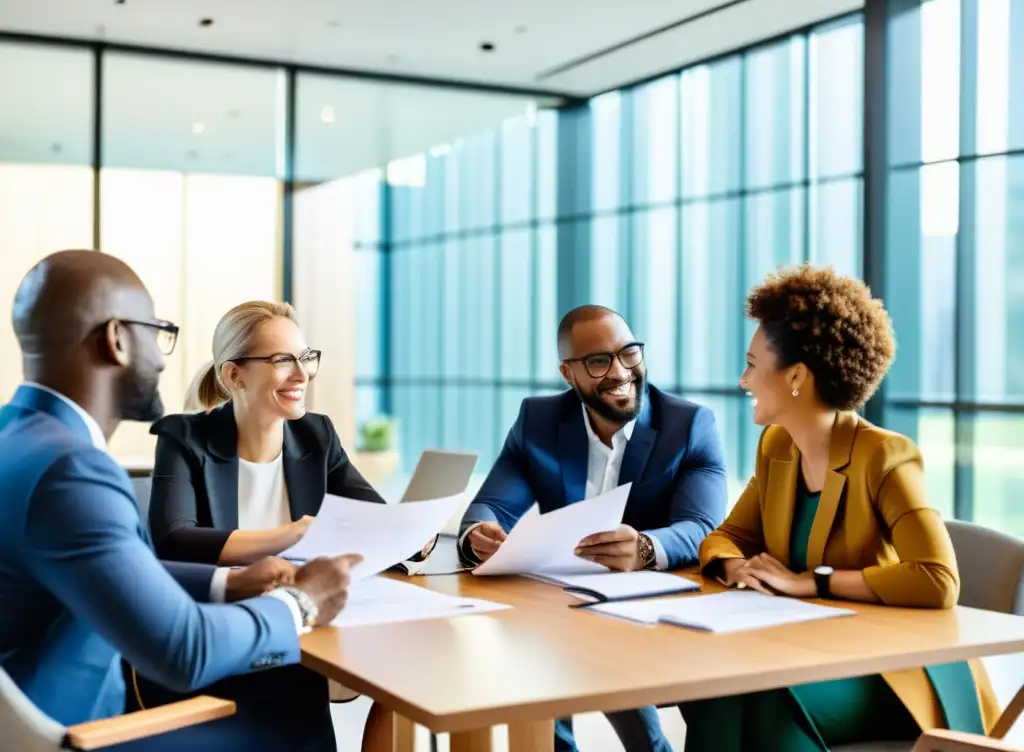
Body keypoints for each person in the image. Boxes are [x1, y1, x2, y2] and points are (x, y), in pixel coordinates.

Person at [0, 250, 359, 750]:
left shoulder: (16, 437)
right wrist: (301, 602)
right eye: (158, 331)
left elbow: (111, 568)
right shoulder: (73, 470)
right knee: (295, 712)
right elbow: (186, 650)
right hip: (79, 733)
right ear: (118, 340)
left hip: (29, 716)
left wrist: (226, 581)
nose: (163, 356)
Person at [682, 264, 999, 751]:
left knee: (768, 700)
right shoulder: (777, 447)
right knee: (715, 690)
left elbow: (938, 579)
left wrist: (811, 582)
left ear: (796, 376)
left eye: (751, 364)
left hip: (890, 667)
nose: (743, 379)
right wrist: (740, 568)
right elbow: (724, 537)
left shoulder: (885, 456)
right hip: (810, 649)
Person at [145, 300, 423, 752]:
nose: (302, 374)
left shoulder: (317, 435)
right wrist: (292, 534)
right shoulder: (184, 437)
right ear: (234, 375)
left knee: (408, 678)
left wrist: (415, 533)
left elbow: (371, 518)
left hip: (306, 627)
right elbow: (174, 539)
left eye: (305, 357)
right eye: (281, 360)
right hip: (227, 638)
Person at [459, 305, 728, 752]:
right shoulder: (537, 422)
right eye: (599, 361)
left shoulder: (688, 426)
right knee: (534, 653)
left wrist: (645, 547)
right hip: (562, 610)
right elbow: (489, 506)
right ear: (568, 373)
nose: (621, 372)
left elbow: (702, 527)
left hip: (651, 613)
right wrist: (478, 535)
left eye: (629, 353)